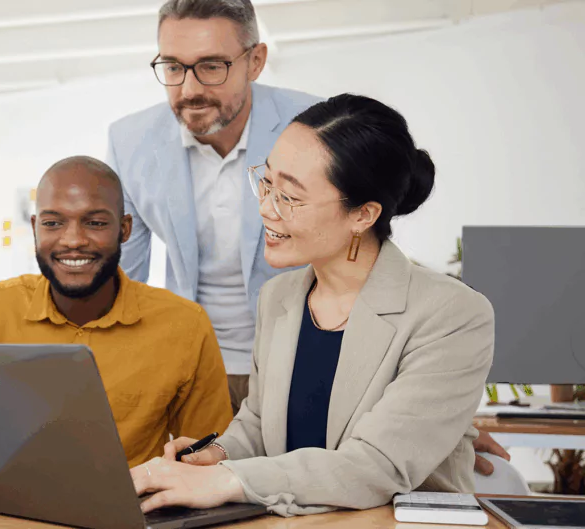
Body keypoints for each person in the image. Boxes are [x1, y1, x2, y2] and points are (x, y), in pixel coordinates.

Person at [129, 94, 496, 516]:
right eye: (266, 182)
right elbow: (258, 427)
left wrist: (227, 480)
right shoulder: (279, 297)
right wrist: (215, 456)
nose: (266, 208)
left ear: (363, 215)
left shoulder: (453, 314)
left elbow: (377, 467)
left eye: (290, 196)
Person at [0, 156, 232, 470]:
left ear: (124, 229)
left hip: (132, 510)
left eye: (95, 223)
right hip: (7, 504)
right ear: (35, 228)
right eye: (53, 223)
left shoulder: (185, 325)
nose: (72, 241)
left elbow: (207, 453)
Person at [106, 0, 320, 413]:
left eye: (211, 66)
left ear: (255, 61)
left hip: (304, 360)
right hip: (191, 367)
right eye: (172, 67)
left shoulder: (315, 124)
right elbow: (121, 283)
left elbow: (361, 261)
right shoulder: (130, 141)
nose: (189, 90)